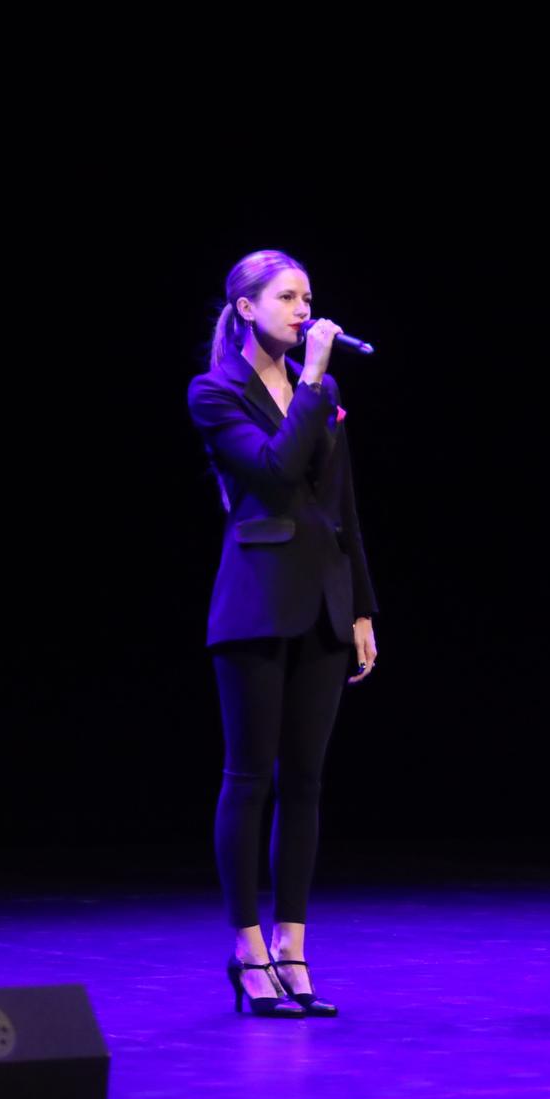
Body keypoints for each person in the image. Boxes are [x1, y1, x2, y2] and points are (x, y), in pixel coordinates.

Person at [186, 249, 378, 1018]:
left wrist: (363, 605)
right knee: (249, 777)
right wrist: (309, 385)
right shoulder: (212, 390)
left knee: (305, 781)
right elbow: (271, 469)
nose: (304, 311)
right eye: (289, 297)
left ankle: (293, 945)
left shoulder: (321, 389)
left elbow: (344, 504)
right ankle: (247, 948)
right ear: (245, 308)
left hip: (326, 603)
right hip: (257, 603)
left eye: (309, 298)